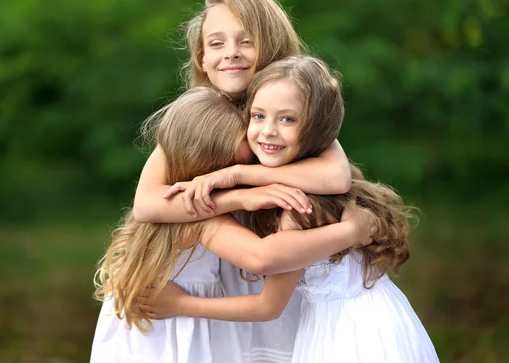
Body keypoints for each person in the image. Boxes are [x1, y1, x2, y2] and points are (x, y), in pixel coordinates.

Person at [139, 55, 440, 363]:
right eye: (258, 116)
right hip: (371, 321)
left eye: (287, 119)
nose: (268, 131)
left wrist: (181, 305)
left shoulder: (300, 205)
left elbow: (267, 301)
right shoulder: (312, 180)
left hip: (353, 336)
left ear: (317, 131)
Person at [132, 0, 353, 362]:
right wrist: (240, 197)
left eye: (246, 40)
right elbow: (147, 204)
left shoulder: (290, 114)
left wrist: (242, 175)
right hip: (203, 273)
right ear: (202, 57)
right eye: (216, 43)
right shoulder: (197, 120)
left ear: (273, 47)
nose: (230, 52)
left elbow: (336, 176)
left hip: (254, 282)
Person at [91, 86, 373, 363]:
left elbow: (332, 166)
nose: (252, 172)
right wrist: (351, 231)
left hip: (162, 325)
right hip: (169, 331)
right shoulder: (197, 218)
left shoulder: (170, 202)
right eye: (229, 167)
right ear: (203, 167)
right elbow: (261, 258)